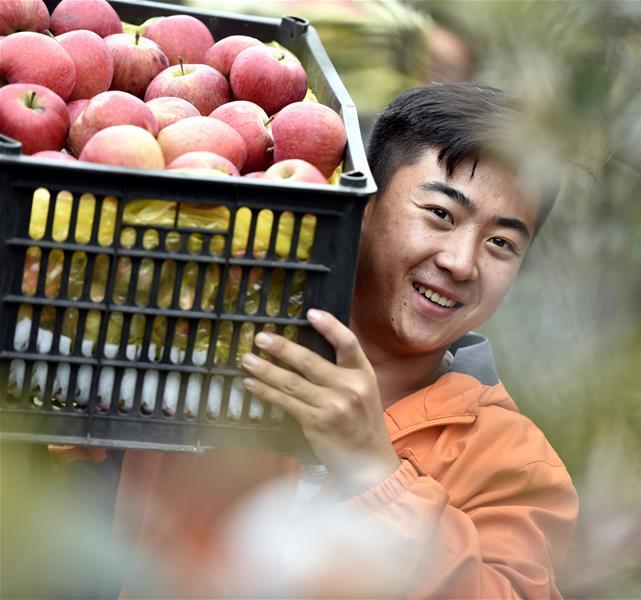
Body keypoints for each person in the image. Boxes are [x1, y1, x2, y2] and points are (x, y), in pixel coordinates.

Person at [50, 82, 577, 598]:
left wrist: (375, 475)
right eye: (440, 214)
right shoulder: (216, 334)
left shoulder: (515, 462)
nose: (460, 262)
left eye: (501, 243)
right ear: (363, 203)